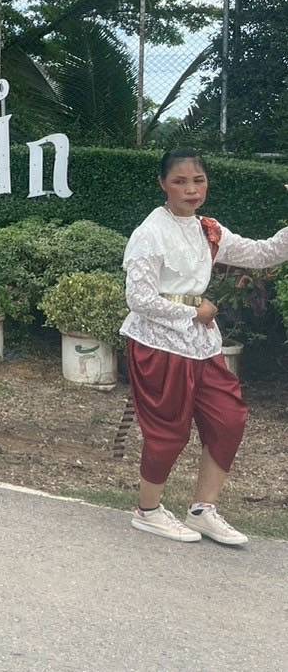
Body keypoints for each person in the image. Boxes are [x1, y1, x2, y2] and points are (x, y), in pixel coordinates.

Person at [121, 148, 288, 545]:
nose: (191, 189)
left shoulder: (209, 230)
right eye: (180, 181)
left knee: (228, 420)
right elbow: (139, 299)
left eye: (198, 180)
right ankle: (147, 511)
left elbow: (264, 253)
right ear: (163, 184)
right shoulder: (149, 234)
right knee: (168, 431)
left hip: (202, 345)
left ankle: (203, 510)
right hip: (158, 345)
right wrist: (195, 309)